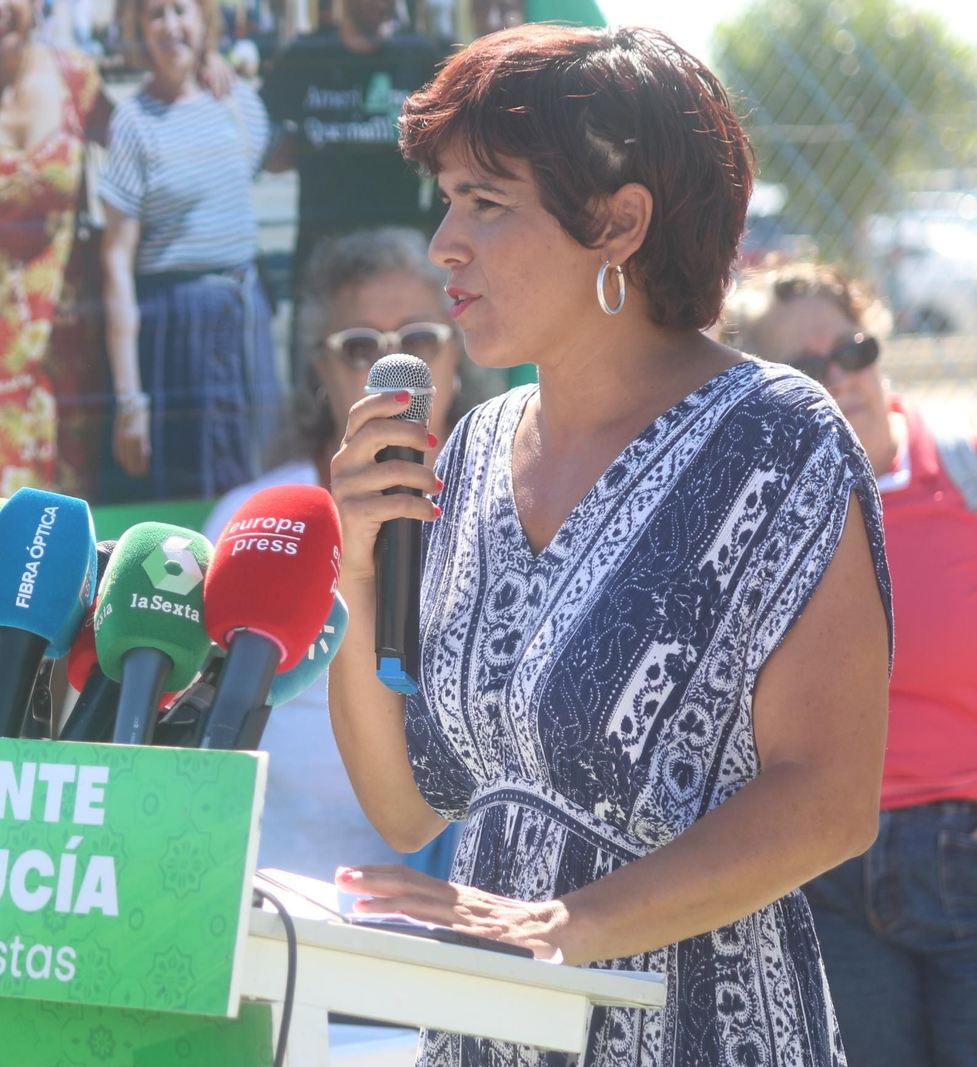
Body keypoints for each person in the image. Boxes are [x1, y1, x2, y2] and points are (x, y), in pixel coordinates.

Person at [325, 25, 891, 1067]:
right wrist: (360, 571)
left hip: (701, 1034)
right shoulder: (472, 449)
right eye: (446, 200)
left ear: (620, 222)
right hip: (491, 1033)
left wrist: (566, 925)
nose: (444, 242)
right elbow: (405, 808)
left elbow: (829, 800)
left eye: (486, 202)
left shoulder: (778, 439)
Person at [722, 261, 977, 1067]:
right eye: (806, 367)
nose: (842, 377)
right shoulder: (756, 517)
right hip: (826, 866)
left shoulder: (965, 475)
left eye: (854, 349)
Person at [203, 226, 501, 881]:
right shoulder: (255, 517)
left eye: (419, 340)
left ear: (458, 354)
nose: (392, 367)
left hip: (448, 905)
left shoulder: (510, 508)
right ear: (322, 369)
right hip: (273, 894)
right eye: (361, 347)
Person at [0, 0, 114, 498]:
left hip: (68, 340)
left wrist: (205, 64)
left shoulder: (76, 78)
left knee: (73, 515)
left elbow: (144, 144)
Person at [98, 0, 277, 502]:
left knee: (256, 491)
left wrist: (213, 63)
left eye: (182, 10)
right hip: (179, 334)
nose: (170, 25)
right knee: (191, 501)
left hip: (244, 321)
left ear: (204, 20)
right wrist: (130, 399)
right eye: (155, 14)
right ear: (139, 28)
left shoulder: (239, 104)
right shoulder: (133, 122)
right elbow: (115, 263)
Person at [260, 0, 448, 287]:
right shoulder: (307, 55)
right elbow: (258, 122)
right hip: (321, 257)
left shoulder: (419, 56)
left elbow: (450, 144)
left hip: (397, 255)